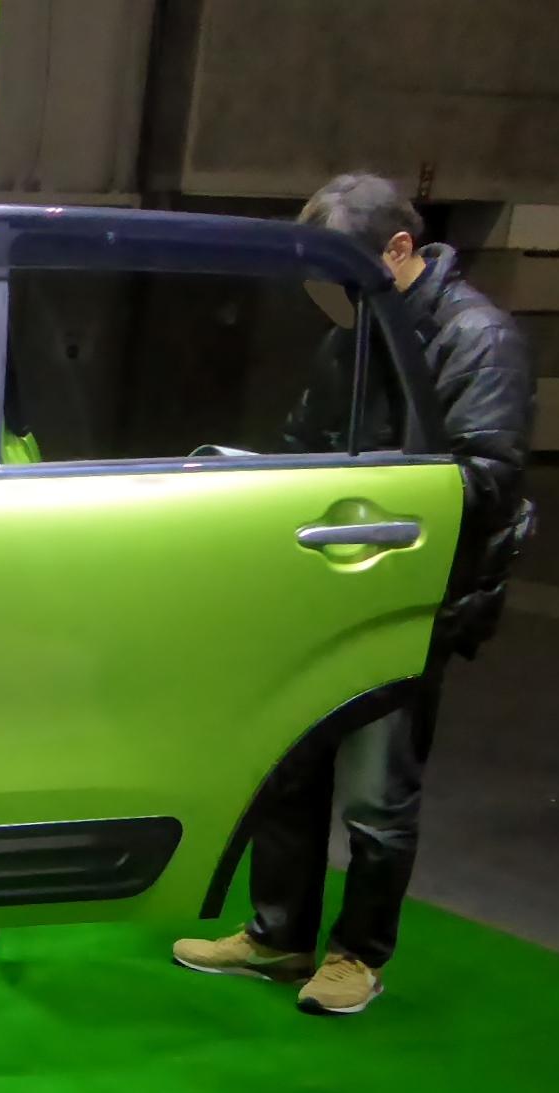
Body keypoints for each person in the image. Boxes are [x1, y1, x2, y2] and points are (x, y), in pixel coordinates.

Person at [175, 174, 537, 1015]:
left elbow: (488, 476)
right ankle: (279, 934)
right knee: (292, 767)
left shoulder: (479, 339)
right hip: (326, 587)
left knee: (378, 788)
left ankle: (357, 956)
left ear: (398, 250)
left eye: (336, 273)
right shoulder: (359, 333)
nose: (326, 295)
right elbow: (305, 442)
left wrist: (370, 503)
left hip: (410, 591)